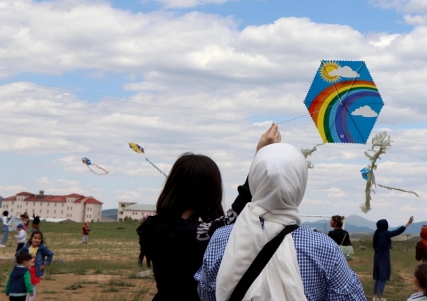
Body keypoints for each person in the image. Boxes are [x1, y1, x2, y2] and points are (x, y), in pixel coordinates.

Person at [195, 143, 365, 301]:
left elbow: (206, 294)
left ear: (254, 180)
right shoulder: (324, 249)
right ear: (300, 184)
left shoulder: (221, 239)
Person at [137, 123, 280, 301]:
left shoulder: (152, 227)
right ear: (208, 191)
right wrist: (259, 157)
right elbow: (233, 217)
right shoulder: (189, 234)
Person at [373, 217, 414, 301]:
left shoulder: (377, 233)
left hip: (377, 257)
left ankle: (375, 297)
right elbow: (398, 231)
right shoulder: (384, 233)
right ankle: (380, 297)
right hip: (383, 258)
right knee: (383, 277)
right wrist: (408, 223)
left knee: (378, 278)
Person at [15, 231, 53, 301]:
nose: (37, 240)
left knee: (32, 287)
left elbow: (50, 254)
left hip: (35, 270)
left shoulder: (42, 248)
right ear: (31, 239)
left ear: (41, 240)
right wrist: (19, 262)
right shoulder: (26, 248)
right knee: (25, 286)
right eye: (35, 238)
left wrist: (45, 264)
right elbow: (17, 254)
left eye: (39, 238)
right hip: (25, 270)